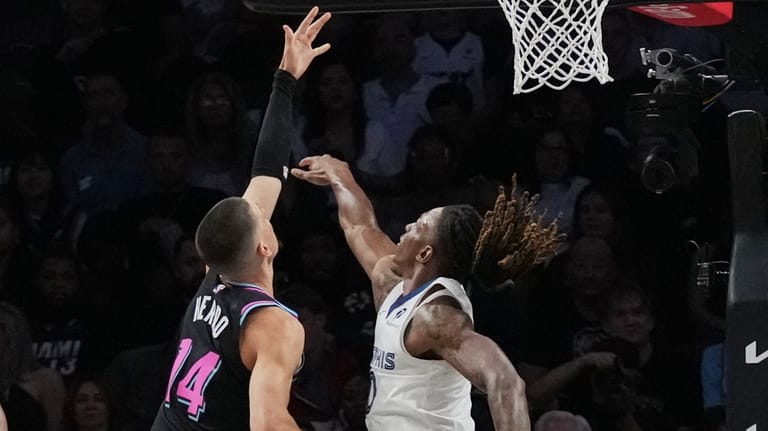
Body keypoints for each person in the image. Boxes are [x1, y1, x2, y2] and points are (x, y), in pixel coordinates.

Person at [151, 7, 331, 430]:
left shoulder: (215, 275)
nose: (264, 208)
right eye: (260, 217)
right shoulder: (274, 325)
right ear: (264, 247)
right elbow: (268, 424)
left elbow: (266, 170)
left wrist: (285, 80)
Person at [292, 155, 564, 430]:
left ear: (424, 253)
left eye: (419, 226)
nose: (408, 226)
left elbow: (506, 383)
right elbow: (360, 226)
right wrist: (340, 175)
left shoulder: (437, 316)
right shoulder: (391, 283)